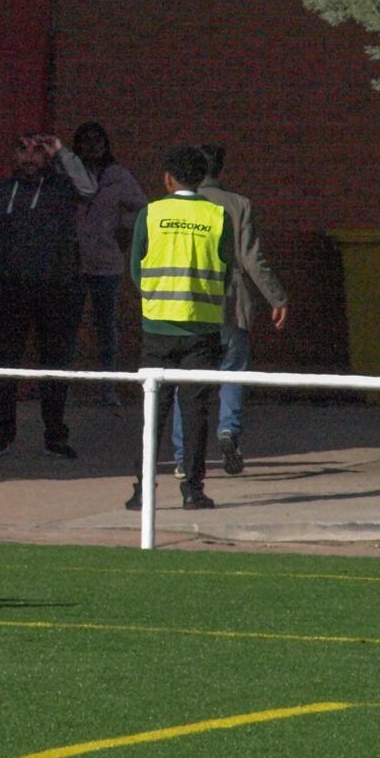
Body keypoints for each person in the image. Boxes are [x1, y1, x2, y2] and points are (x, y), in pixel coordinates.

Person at [126, 145, 234, 514]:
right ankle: (193, 489)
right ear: (201, 178)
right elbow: (228, 270)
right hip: (201, 329)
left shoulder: (151, 214)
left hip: (157, 327)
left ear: (168, 179)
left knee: (153, 411)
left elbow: (136, 270)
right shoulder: (217, 216)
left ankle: (143, 491)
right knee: (196, 413)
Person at [173, 143, 288, 476]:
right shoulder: (238, 205)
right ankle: (228, 433)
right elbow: (252, 258)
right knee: (231, 372)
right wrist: (277, 297)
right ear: (221, 170)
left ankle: (183, 456)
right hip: (230, 300)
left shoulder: (177, 206)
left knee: (187, 381)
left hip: (188, 302)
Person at [0, 131, 95, 460]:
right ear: (14, 156)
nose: (30, 157)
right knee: (7, 365)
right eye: (23, 149)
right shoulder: (2, 191)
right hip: (13, 288)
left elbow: (89, 189)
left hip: (59, 289)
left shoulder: (62, 188)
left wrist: (61, 150)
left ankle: (56, 436)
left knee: (55, 366)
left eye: (38, 151)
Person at [68, 120, 145, 404]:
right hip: (73, 262)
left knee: (105, 326)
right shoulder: (68, 174)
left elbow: (142, 208)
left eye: (97, 141)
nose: (92, 146)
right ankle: (65, 384)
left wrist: (121, 228)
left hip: (106, 263)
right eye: (85, 141)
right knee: (68, 325)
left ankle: (108, 386)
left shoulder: (117, 176)